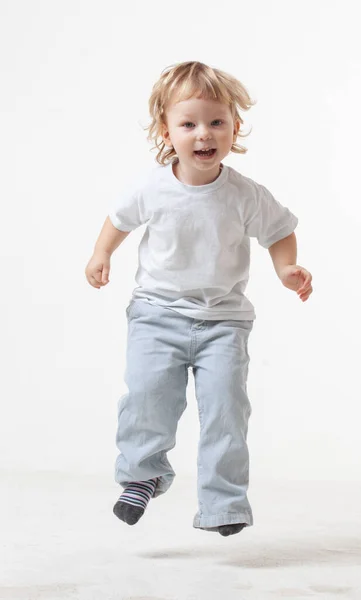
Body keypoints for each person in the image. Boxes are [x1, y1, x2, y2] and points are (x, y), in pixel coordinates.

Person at [85, 61, 313, 537]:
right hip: (156, 315)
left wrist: (285, 268)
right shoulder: (152, 186)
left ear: (235, 127)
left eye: (216, 122)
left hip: (223, 322)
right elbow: (119, 219)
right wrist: (101, 253)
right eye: (188, 123)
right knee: (147, 396)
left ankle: (223, 502)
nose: (203, 134)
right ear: (165, 130)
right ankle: (142, 474)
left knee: (227, 408)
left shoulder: (246, 194)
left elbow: (281, 231)